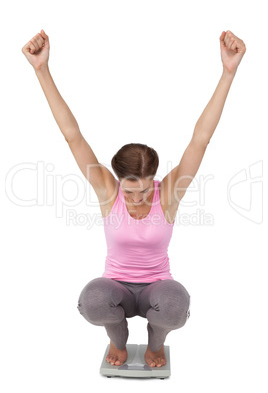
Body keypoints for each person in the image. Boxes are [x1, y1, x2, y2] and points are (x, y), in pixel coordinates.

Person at [22, 29, 246, 368]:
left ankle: (156, 345)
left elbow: (200, 139)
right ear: (118, 182)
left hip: (158, 287)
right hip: (117, 290)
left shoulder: (167, 195)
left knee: (174, 303)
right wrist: (41, 70)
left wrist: (228, 72)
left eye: (143, 189)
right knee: (94, 298)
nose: (137, 198)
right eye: (129, 190)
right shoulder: (107, 191)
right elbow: (72, 136)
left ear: (154, 180)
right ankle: (119, 341)